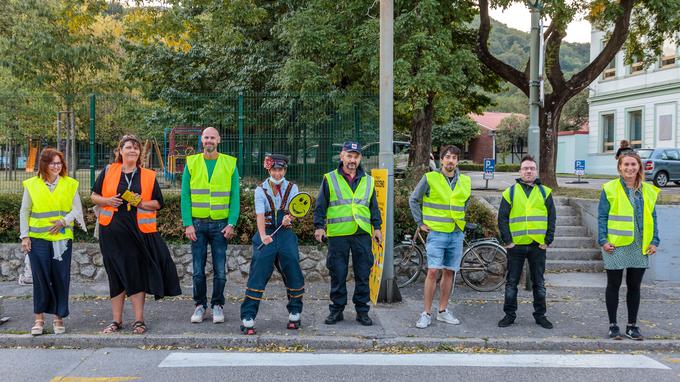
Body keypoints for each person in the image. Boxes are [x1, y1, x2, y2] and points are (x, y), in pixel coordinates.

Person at [92, 135, 181, 334]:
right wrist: (107, 201)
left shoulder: (148, 175)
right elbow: (93, 195)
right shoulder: (108, 171)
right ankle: (116, 321)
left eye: (136, 148)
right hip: (111, 233)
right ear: (120, 151)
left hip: (137, 232)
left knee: (134, 274)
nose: (132, 150)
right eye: (128, 147)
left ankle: (138, 320)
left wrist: (140, 203)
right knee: (115, 275)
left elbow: (158, 203)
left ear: (140, 153)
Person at [314, 141, 382, 326]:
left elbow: (373, 207)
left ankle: (362, 311)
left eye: (356, 156)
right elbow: (321, 205)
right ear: (342, 156)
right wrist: (319, 226)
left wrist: (377, 228)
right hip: (338, 234)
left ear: (360, 158)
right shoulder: (330, 178)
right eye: (349, 156)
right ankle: (336, 311)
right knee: (338, 273)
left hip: (362, 233)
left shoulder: (368, 180)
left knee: (362, 273)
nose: (352, 160)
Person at [20, 148, 85, 336]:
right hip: (38, 239)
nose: (57, 166)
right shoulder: (31, 184)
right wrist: (25, 236)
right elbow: (25, 211)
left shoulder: (70, 184)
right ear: (44, 165)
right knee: (40, 279)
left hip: (62, 240)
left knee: (60, 278)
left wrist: (64, 221)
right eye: (53, 163)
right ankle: (39, 319)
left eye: (59, 163)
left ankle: (58, 317)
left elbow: (77, 210)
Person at [240, 154, 305, 334]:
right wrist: (262, 235)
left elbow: (297, 210)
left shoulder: (293, 188)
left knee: (292, 266)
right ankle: (248, 316)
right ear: (269, 169)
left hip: (285, 234)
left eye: (281, 169)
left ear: (285, 170)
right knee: (259, 271)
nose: (278, 173)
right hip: (267, 233)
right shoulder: (260, 190)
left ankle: (295, 311)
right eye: (274, 170)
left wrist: (289, 218)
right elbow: (260, 215)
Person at [599, 151, 660, 341]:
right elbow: (602, 216)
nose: (630, 168)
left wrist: (654, 240)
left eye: (633, 164)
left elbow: (653, 217)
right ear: (620, 167)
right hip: (615, 244)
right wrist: (603, 240)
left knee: (634, 287)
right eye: (626, 165)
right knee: (614, 285)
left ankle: (632, 326)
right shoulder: (609, 188)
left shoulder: (648, 190)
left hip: (639, 244)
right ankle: (613, 325)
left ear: (639, 167)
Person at [181, 127, 240, 324]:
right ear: (201, 139)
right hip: (196, 225)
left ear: (218, 140)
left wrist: (232, 223)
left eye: (212, 137)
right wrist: (188, 224)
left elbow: (234, 197)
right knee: (197, 270)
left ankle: (217, 305)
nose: (208, 140)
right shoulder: (191, 162)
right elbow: (185, 196)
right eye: (206, 137)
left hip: (221, 225)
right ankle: (199, 305)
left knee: (220, 270)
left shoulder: (230, 163)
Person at [409, 145, 470, 328]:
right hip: (436, 233)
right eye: (447, 157)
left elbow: (465, 203)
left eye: (454, 158)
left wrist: (460, 220)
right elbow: (413, 199)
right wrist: (420, 223)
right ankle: (426, 313)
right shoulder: (430, 178)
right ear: (441, 160)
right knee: (433, 271)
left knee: (450, 271)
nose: (450, 160)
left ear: (458, 161)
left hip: (456, 232)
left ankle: (442, 311)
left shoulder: (465, 181)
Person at [497, 155, 556, 330]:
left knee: (539, 283)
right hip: (516, 245)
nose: (529, 171)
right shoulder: (511, 192)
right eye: (525, 168)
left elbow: (552, 218)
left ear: (536, 171)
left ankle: (540, 316)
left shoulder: (545, 192)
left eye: (531, 168)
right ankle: (509, 315)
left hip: (538, 245)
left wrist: (548, 240)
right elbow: (502, 218)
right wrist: (507, 241)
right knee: (511, 282)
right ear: (520, 171)